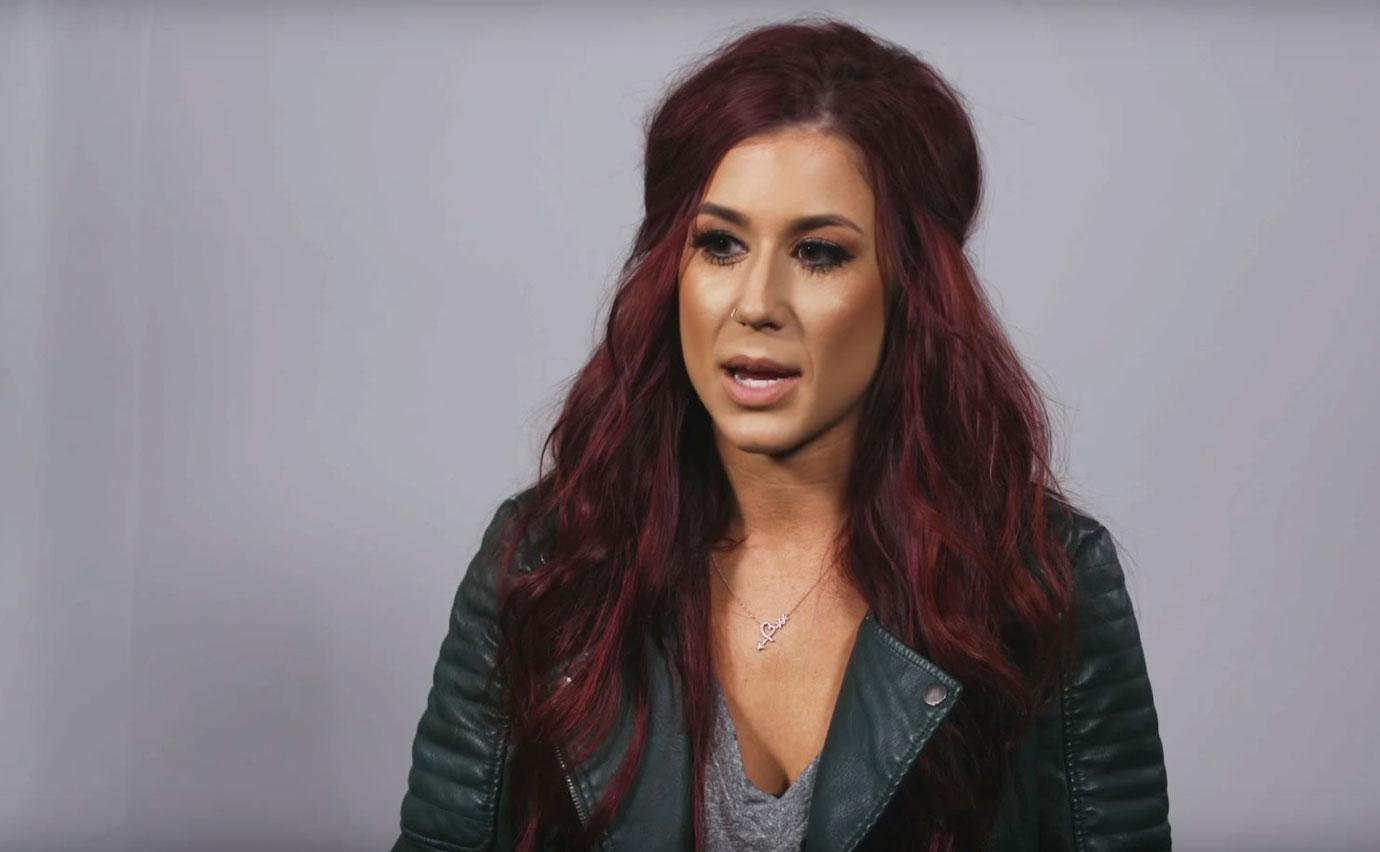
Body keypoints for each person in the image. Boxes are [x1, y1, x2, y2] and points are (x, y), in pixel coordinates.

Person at [390, 15, 1171, 852]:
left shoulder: (1042, 581)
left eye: (819, 253)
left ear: (910, 289)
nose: (757, 303)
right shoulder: (546, 562)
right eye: (720, 245)